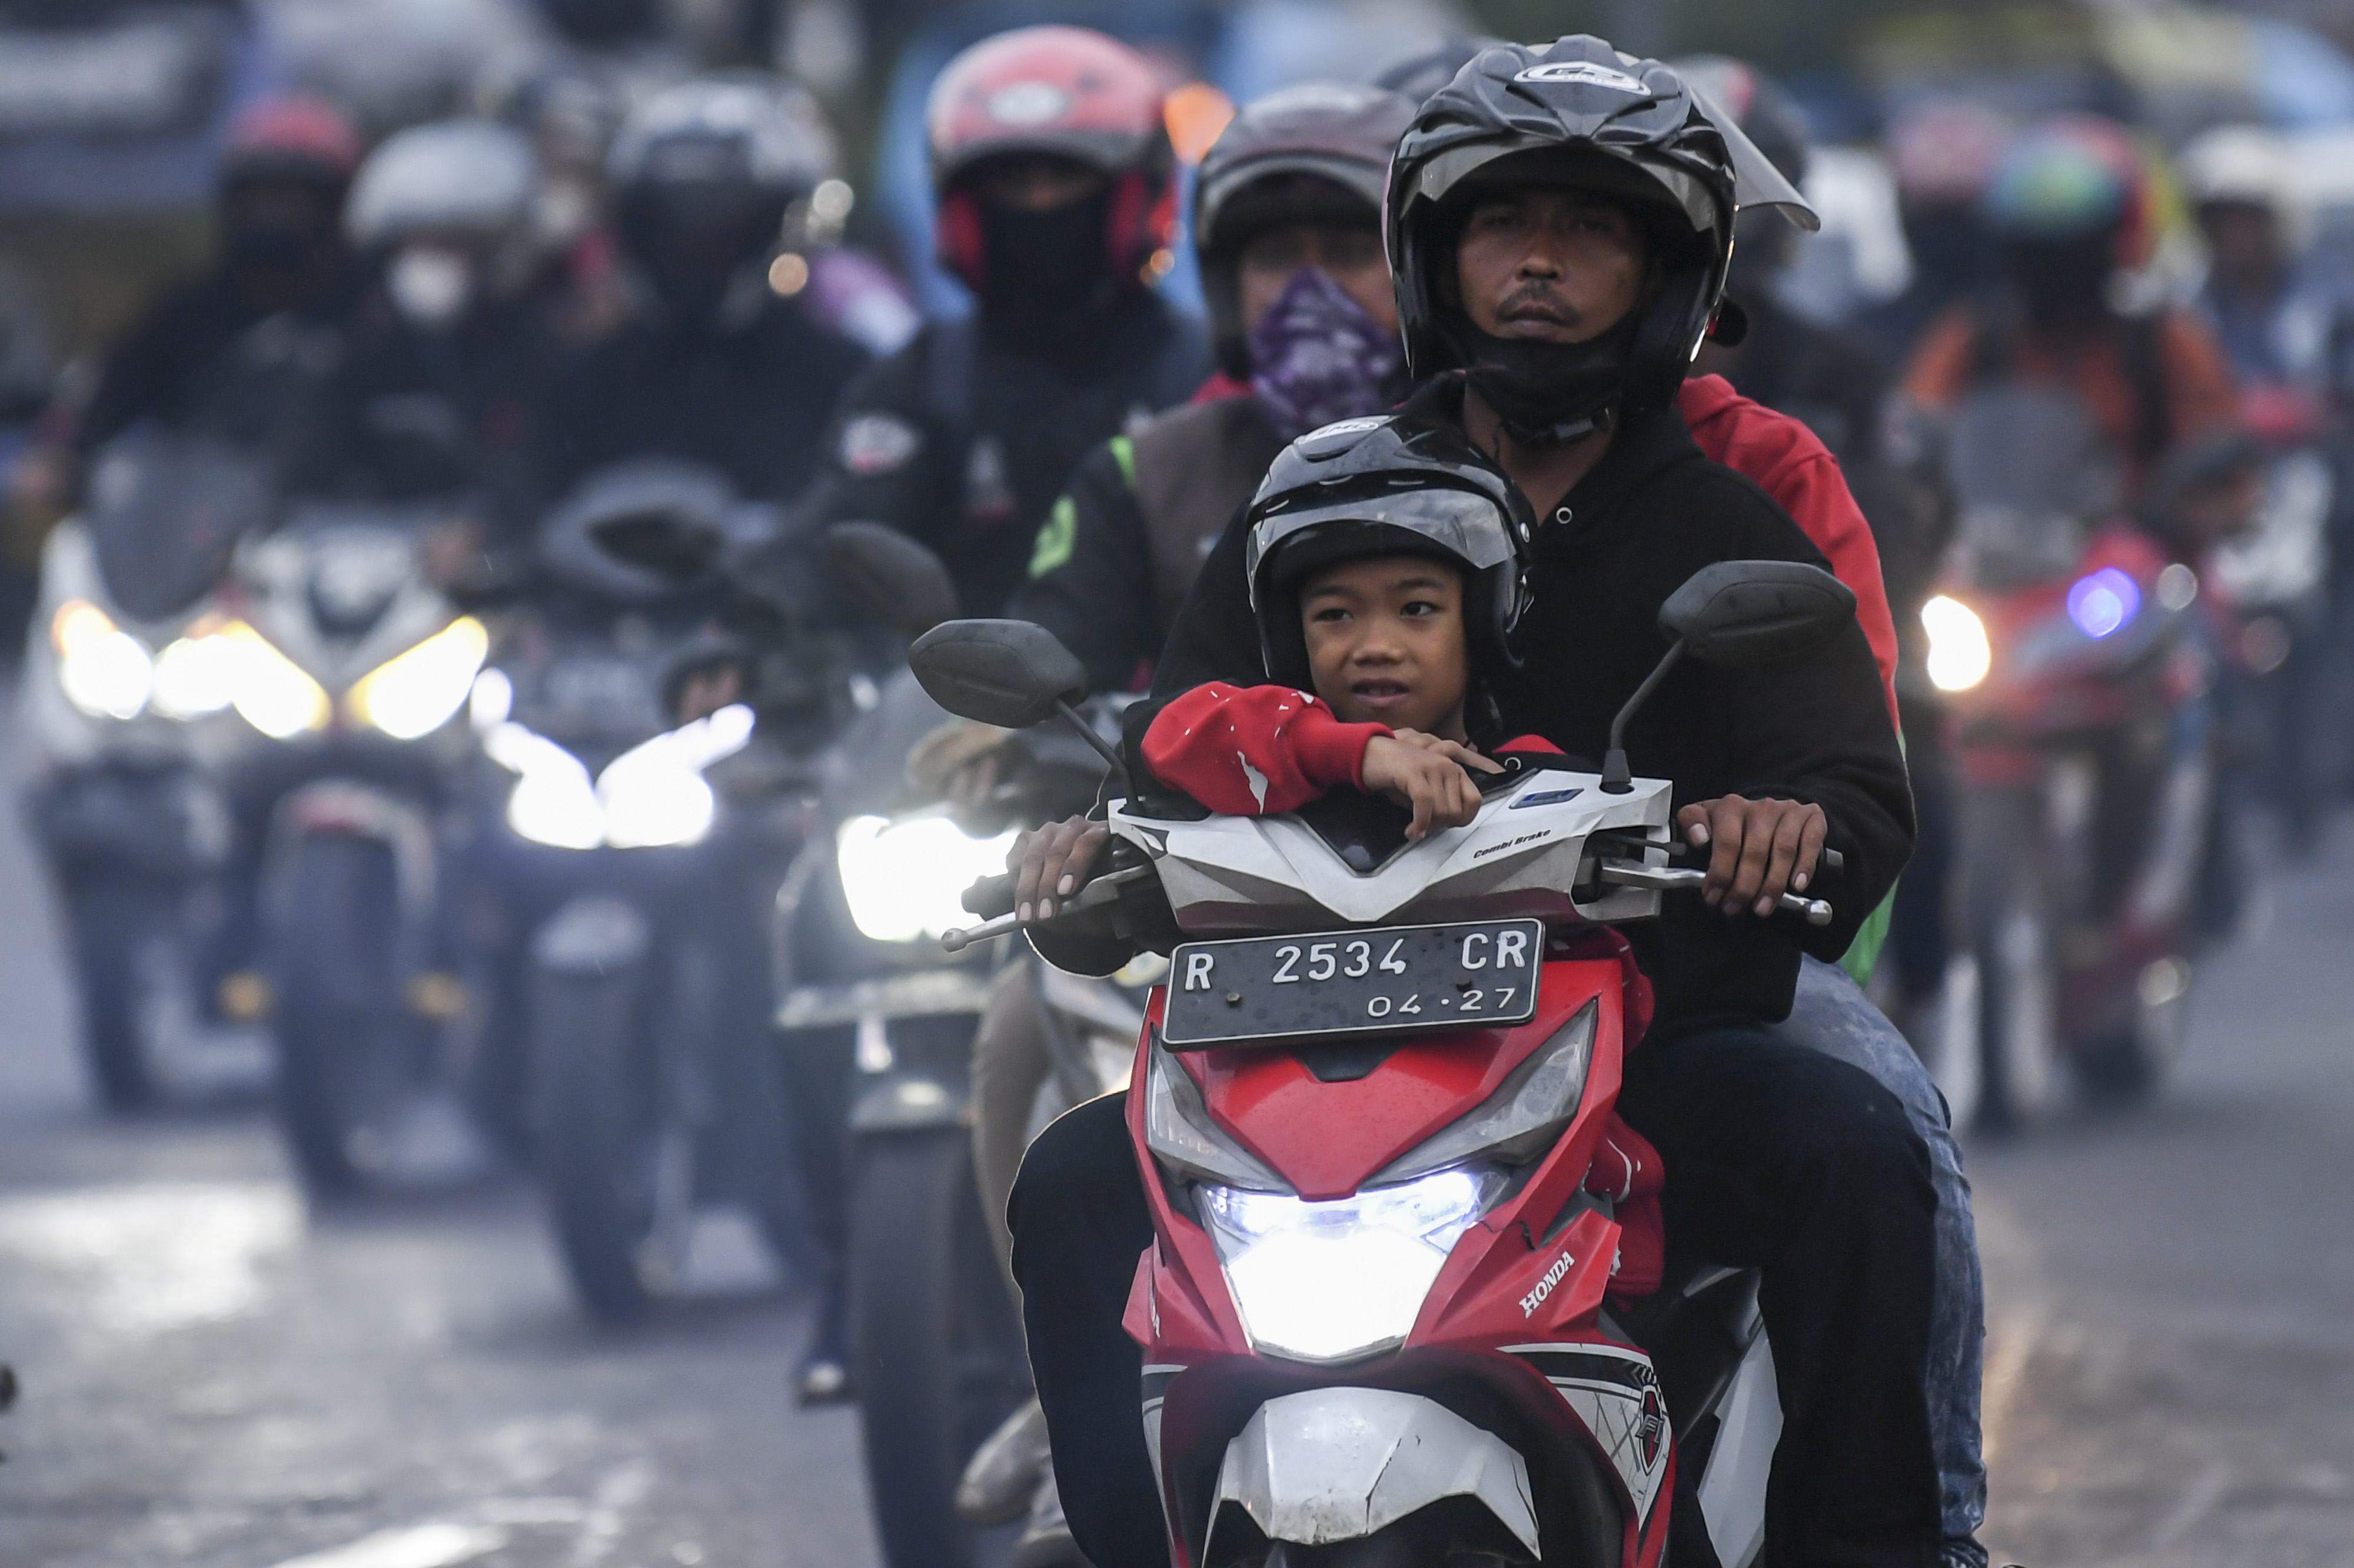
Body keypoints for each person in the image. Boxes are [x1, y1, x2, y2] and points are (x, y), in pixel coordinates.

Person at [1006, 38, 1946, 1568]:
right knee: (1066, 1186)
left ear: (1671, 269)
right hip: (1297, 1053)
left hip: (1639, 1039)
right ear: (1435, 257)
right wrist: (1089, 857)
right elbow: (1169, 750)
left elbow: (1851, 783)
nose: (1539, 264)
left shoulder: (1739, 500)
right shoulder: (1323, 489)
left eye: (1589, 231)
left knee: (1854, 1145)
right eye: (1504, 227)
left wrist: (1784, 831)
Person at [782, 25, 1212, 620]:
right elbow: (832, 531)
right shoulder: (922, 379)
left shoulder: (1205, 376)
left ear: (1136, 198)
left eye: (1065, 178)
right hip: (950, 707)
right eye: (1013, 183)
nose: (1039, 206)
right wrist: (748, 629)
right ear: (962, 210)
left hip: (1171, 708)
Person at [538, 74, 872, 503]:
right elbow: (535, 517)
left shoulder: (839, 378)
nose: (693, 257)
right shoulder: (585, 385)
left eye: (721, 234)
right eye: (671, 232)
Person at [26, 96, 363, 501]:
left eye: (290, 200)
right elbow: (105, 393)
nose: (272, 216)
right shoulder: (190, 312)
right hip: (201, 525)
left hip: (340, 522)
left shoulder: (372, 311)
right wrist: (61, 456)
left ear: (333, 207)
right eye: (260, 199)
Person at [287, 117, 570, 577]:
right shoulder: (358, 358)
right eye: (414, 244)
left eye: (451, 245)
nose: (429, 263)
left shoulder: (538, 356)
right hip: (368, 580)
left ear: (495, 254)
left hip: (497, 592)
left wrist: (486, 530)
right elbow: (298, 473)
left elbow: (548, 480)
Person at [1903, 114, 2239, 501]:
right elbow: (1918, 423)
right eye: (2037, 253)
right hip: (2003, 546)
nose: (2056, 272)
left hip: (2136, 551)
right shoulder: (1977, 337)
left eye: (2074, 251)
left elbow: (2215, 447)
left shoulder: (2161, 341)